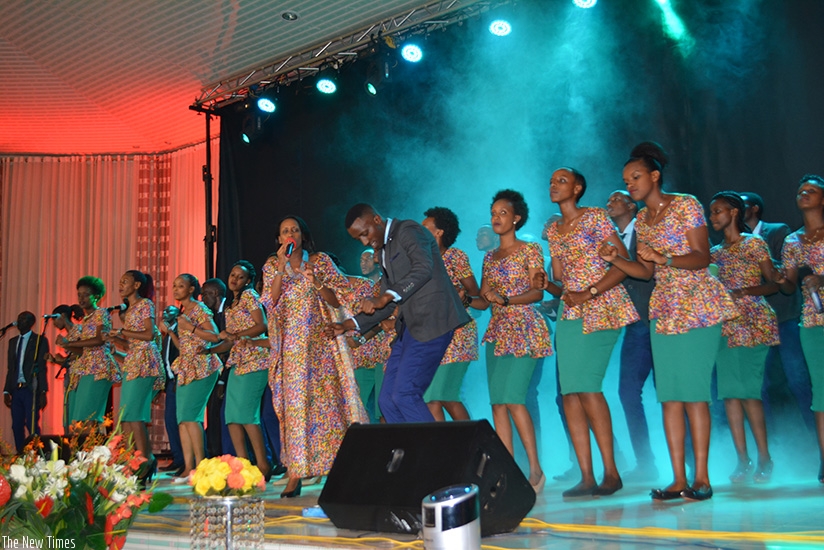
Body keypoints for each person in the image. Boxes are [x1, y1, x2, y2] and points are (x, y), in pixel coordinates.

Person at [600, 142, 737, 501]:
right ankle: (678, 479)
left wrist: (664, 257)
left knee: (693, 395)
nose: (629, 183)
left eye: (636, 176)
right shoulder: (642, 220)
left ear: (655, 176)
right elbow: (645, 272)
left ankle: (702, 477)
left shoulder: (686, 204)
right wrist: (617, 258)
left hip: (698, 305)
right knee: (670, 396)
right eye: (626, 179)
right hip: (663, 309)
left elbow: (702, 256)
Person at [541, 170, 638, 497]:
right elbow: (558, 276)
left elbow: (622, 263)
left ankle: (611, 471)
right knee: (569, 393)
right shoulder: (554, 228)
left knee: (587, 387)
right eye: (552, 181)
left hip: (602, 306)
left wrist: (591, 291)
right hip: (570, 311)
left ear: (578, 188)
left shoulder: (595, 216)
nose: (554, 185)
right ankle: (586, 475)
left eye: (562, 181)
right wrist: (552, 247)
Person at [329, 204, 470, 426]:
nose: (365, 242)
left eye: (365, 234)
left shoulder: (408, 229)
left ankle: (435, 456)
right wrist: (348, 324)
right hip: (408, 329)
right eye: (359, 239)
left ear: (376, 220)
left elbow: (423, 268)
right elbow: (385, 304)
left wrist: (385, 297)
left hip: (432, 321)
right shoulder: (384, 252)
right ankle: (409, 453)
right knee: (387, 401)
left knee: (405, 395)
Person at [264, 215, 368, 498]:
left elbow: (340, 298)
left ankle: (337, 470)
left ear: (302, 235)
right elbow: (270, 304)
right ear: (279, 239)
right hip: (292, 352)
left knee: (328, 409)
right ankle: (295, 474)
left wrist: (318, 282)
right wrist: (281, 269)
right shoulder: (273, 265)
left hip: (321, 348)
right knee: (295, 410)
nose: (290, 234)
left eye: (295, 229)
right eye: (284, 230)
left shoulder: (320, 261)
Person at [470, 190, 551, 494]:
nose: (496, 218)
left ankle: (536, 470)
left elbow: (538, 292)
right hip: (498, 333)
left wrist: (505, 299)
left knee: (515, 399)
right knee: (498, 405)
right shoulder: (489, 258)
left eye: (503, 213)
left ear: (516, 218)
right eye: (493, 213)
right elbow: (482, 300)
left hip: (525, 329)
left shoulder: (530, 249)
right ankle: (509, 471)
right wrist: (468, 297)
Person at [709, 191, 779, 484]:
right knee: (729, 396)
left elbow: (774, 285)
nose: (712, 217)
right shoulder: (713, 253)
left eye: (718, 211)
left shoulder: (754, 244)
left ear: (734, 212)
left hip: (753, 322)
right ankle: (742, 459)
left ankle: (764, 457)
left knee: (749, 392)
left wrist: (745, 292)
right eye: (711, 213)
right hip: (725, 326)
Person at [740, 191, 815, 434]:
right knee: (758, 384)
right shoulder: (733, 241)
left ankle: (817, 438)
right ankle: (770, 444)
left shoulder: (778, 231)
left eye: (741, 205)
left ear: (754, 209)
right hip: (754, 323)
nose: (736, 209)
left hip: (784, 317)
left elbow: (783, 273)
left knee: (798, 379)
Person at [774, 174, 824, 484]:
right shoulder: (792, 241)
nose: (804, 194)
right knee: (819, 392)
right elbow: (790, 287)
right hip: (812, 321)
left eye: (811, 191)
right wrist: (783, 280)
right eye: (800, 191)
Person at [606, 190, 659, 481]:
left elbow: (645, 273)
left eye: (616, 199)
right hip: (632, 324)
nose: (609, 203)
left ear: (631, 205)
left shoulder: (646, 230)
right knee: (627, 392)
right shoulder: (611, 238)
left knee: (670, 394)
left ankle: (691, 463)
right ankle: (646, 462)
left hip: (658, 319)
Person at [106, 270, 164, 485]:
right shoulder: (130, 311)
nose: (121, 285)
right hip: (133, 362)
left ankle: (144, 461)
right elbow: (132, 344)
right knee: (127, 417)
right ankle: (137, 460)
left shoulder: (144, 304)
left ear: (137, 285)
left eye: (125, 282)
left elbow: (148, 335)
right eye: (120, 282)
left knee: (134, 415)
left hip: (145, 363)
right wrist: (116, 338)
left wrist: (123, 332)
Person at [421, 206, 479, 422]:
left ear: (439, 232)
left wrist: (462, 295)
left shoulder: (455, 256)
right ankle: (449, 450)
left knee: (442, 395)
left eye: (425, 228)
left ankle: (471, 445)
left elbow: (474, 292)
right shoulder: (423, 262)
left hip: (456, 334)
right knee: (433, 397)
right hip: (433, 336)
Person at [163, 274, 222, 480]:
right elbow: (184, 347)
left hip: (203, 366)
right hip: (186, 366)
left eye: (181, 286)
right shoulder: (183, 312)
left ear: (191, 289)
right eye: (174, 286)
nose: (176, 289)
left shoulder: (199, 309)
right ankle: (189, 467)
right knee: (182, 420)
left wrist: (191, 327)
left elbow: (214, 335)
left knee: (191, 417)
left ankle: (201, 465)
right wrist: (172, 333)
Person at [218, 261, 271, 481]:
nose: (234, 279)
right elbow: (230, 340)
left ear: (248, 280)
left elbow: (262, 325)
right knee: (232, 417)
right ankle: (243, 466)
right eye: (232, 275)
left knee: (248, 415)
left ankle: (263, 465)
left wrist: (238, 335)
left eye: (240, 277)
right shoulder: (231, 305)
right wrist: (211, 348)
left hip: (255, 360)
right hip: (238, 361)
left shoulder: (250, 295)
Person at [59, 276, 121, 427]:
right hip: (85, 368)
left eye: (86, 294)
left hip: (99, 367)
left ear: (97, 296)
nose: (81, 298)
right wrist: (66, 346)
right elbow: (82, 349)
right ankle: (85, 450)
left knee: (88, 417)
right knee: (80, 419)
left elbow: (100, 340)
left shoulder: (102, 314)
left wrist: (71, 343)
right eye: (79, 295)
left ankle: (92, 450)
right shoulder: (86, 320)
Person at [3, 311, 49, 452]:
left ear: (31, 323)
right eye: (19, 318)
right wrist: (6, 391)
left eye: (23, 319)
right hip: (16, 389)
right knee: (16, 425)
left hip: (31, 389)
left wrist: (43, 391)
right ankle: (21, 454)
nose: (19, 320)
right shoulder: (13, 342)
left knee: (32, 424)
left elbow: (41, 367)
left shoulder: (39, 340)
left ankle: (37, 453)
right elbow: (11, 368)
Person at [201, 277, 232, 457]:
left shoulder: (228, 312)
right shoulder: (213, 315)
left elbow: (228, 346)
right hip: (218, 371)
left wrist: (222, 380)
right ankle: (215, 453)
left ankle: (224, 454)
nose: (203, 298)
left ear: (215, 293)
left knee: (223, 416)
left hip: (229, 372)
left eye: (205, 294)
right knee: (213, 415)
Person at [44, 304, 83, 434]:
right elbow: (70, 360)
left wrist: (65, 348)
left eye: (55, 319)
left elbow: (83, 353)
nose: (54, 323)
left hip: (80, 377)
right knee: (68, 415)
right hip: (71, 377)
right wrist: (55, 360)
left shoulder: (78, 330)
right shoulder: (68, 334)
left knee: (77, 415)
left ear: (63, 316)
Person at [158, 305, 184, 475]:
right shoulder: (166, 335)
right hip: (170, 381)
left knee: (182, 421)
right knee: (170, 422)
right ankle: (178, 458)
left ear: (178, 314)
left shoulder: (180, 330)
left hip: (180, 379)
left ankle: (186, 461)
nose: (165, 313)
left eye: (170, 311)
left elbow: (183, 351)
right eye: (164, 311)